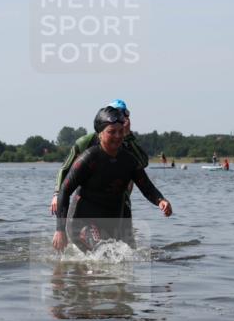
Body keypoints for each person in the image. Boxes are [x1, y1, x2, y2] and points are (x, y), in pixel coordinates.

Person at [53, 106, 171, 252]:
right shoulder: (89, 159)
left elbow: (146, 186)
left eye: (120, 131)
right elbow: (65, 190)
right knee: (104, 252)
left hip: (112, 222)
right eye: (111, 132)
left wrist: (161, 201)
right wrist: (60, 230)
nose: (117, 136)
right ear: (100, 134)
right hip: (82, 222)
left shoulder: (129, 160)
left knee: (127, 257)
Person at [49, 99, 149, 215]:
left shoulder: (125, 142)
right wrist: (57, 194)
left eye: (121, 117)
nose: (117, 135)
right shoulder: (86, 142)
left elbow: (142, 164)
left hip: (119, 200)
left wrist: (127, 136)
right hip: (89, 199)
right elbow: (65, 168)